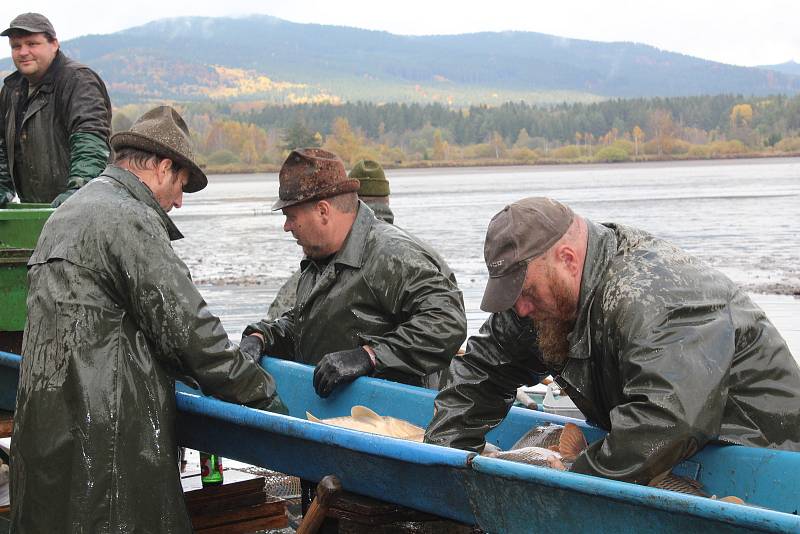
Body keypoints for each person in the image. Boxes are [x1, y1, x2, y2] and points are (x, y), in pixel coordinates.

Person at [11, 106, 286, 532]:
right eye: (180, 185)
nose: (178, 201)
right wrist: (268, 400)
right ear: (161, 167)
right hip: (107, 434)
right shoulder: (130, 218)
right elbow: (192, 335)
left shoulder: (66, 214)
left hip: (46, 429)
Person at [424, 197, 800, 485]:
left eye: (526, 292)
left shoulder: (651, 294)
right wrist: (442, 459)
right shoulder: (542, 296)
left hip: (764, 465)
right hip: (671, 462)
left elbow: (668, 420)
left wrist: (571, 479)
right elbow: (485, 368)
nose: (520, 308)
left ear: (568, 259)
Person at [242, 148, 466, 398]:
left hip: (395, 420)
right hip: (341, 415)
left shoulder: (390, 255)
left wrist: (369, 356)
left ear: (323, 211)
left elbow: (447, 322)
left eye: (291, 216)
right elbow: (311, 323)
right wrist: (262, 335)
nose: (286, 227)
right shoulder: (320, 259)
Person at [0, 12, 111, 207]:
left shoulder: (78, 81)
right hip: (34, 207)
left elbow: (90, 140)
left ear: (54, 44)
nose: (23, 52)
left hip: (87, 208)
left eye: (32, 44)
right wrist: (2, 188)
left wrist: (78, 189)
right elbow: (2, 146)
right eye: (16, 46)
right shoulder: (11, 90)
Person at [267, 158, 394, 319]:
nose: (287, 227)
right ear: (387, 200)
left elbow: (279, 315)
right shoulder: (409, 253)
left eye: (292, 217)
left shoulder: (322, 265)